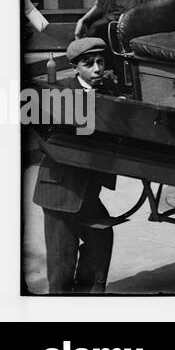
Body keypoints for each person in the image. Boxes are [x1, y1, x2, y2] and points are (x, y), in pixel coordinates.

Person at [32, 37, 117, 293]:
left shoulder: (107, 92)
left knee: (101, 239)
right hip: (61, 192)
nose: (97, 69)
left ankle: (88, 297)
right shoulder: (63, 94)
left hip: (87, 192)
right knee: (62, 266)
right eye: (89, 63)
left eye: (100, 62)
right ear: (76, 67)